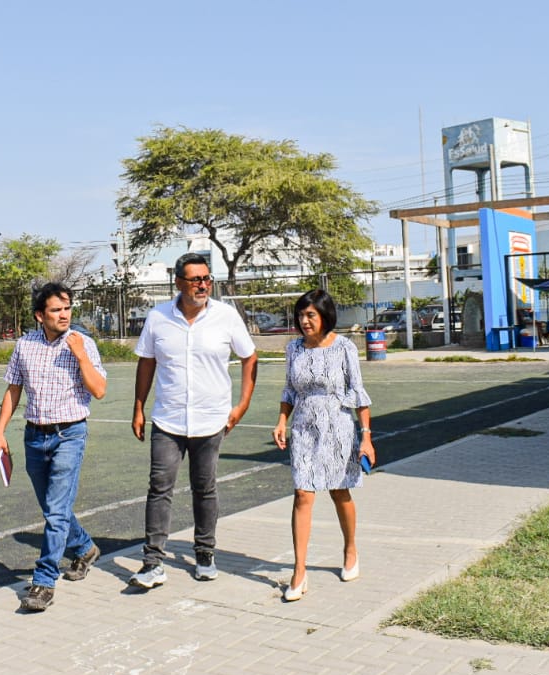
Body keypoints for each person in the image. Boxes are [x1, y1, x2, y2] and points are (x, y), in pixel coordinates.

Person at [128, 253, 258, 589]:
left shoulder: (226, 317)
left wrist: (242, 404)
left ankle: (204, 554)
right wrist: (138, 406)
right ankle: (152, 562)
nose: (202, 285)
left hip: (211, 419)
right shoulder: (158, 317)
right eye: (195, 279)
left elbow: (249, 356)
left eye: (206, 278)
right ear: (179, 282)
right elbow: (146, 363)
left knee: (205, 488)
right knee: (160, 488)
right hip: (168, 421)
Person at [0, 282, 106, 613]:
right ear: (40, 315)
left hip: (70, 434)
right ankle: (84, 548)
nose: (64, 314)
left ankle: (44, 581)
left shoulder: (83, 343)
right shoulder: (25, 346)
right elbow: (14, 390)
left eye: (67, 307)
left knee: (56, 511)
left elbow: (99, 390)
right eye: (56, 310)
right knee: (53, 508)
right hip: (34, 437)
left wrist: (81, 355)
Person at [271, 289, 375, 602]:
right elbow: (290, 390)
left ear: (325, 316)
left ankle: (351, 548)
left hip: (339, 426)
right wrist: (281, 421)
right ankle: (299, 571)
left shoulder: (344, 347)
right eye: (301, 315)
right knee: (302, 493)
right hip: (303, 428)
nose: (304, 321)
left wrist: (366, 436)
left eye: (311, 315)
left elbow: (358, 393)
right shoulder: (293, 349)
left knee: (340, 491)